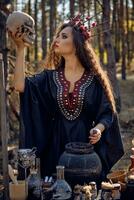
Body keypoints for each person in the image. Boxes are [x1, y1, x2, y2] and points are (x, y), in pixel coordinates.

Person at [12, 14, 124, 181]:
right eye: (57, 35)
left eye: (63, 36)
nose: (56, 39)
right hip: (55, 148)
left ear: (77, 44)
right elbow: (20, 86)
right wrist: (20, 49)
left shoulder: (94, 80)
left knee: (85, 190)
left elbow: (107, 113)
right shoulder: (49, 78)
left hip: (85, 150)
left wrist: (98, 130)